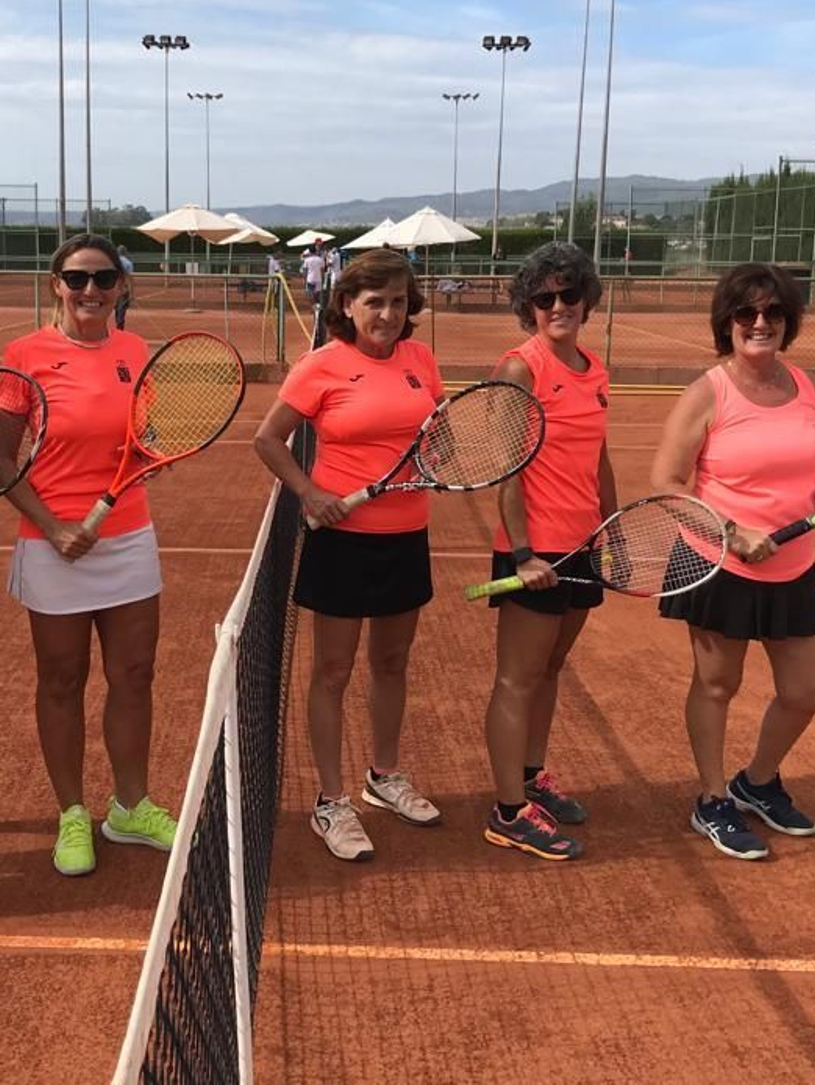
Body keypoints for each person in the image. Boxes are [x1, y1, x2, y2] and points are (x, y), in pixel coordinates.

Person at [649, 262, 815, 861]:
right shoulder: (709, 392)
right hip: (718, 562)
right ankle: (712, 800)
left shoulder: (810, 388)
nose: (760, 323)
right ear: (726, 323)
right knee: (717, 683)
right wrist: (732, 531)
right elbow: (664, 480)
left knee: (808, 689)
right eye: (746, 313)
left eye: (773, 312)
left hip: (792, 564)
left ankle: (756, 783)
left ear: (789, 321)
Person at [253, 249, 443, 862]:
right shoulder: (323, 366)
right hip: (342, 541)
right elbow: (268, 439)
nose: (386, 313)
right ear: (347, 304)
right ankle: (331, 800)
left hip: (406, 535)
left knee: (393, 662)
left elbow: (432, 435)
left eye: (396, 301)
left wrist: (436, 465)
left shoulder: (421, 360)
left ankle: (383, 777)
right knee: (332, 672)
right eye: (373, 302)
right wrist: (311, 492)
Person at [0, 234, 178, 877]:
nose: (90, 292)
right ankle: (72, 812)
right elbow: (0, 459)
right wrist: (52, 526)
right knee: (62, 680)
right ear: (56, 285)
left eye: (104, 280)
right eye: (77, 279)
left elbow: (138, 435)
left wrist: (147, 453)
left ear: (121, 288)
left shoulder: (134, 352)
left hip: (127, 536)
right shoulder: (24, 356)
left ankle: (129, 805)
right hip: (53, 545)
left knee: (135, 675)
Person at [481, 243, 620, 863]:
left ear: (587, 299)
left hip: (582, 543)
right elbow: (507, 469)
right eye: (544, 298)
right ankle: (509, 811)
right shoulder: (521, 367)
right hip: (536, 550)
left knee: (550, 670)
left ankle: (533, 777)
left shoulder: (594, 368)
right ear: (529, 308)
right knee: (516, 678)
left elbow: (599, 454)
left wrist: (609, 527)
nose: (558, 306)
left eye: (568, 294)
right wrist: (522, 554)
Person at [114, 244, 135, 330]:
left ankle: (117, 328)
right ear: (125, 252)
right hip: (124, 290)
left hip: (114, 290)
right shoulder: (128, 263)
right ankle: (119, 330)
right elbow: (129, 279)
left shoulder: (113, 262)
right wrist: (131, 293)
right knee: (121, 312)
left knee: (117, 310)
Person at [301, 244, 326, 311]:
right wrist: (322, 279)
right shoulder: (320, 260)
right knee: (317, 294)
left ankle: (314, 306)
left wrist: (304, 279)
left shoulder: (307, 260)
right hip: (318, 278)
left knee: (311, 293)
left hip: (310, 279)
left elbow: (305, 270)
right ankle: (317, 306)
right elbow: (322, 271)